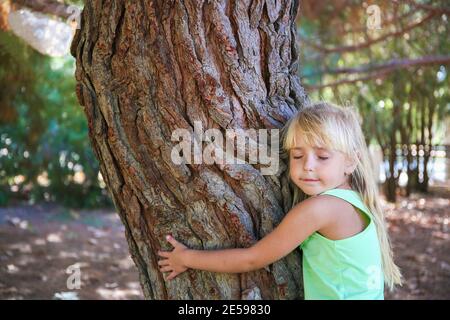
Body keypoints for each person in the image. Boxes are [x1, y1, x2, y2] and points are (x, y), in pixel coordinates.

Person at [157, 102, 402, 299]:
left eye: (323, 156)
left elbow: (252, 258)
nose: (308, 166)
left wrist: (185, 258)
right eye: (297, 155)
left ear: (350, 162)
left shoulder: (321, 209)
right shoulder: (354, 202)